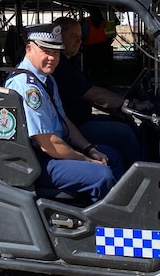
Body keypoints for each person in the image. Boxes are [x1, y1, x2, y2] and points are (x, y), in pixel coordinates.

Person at [4, 23, 124, 202]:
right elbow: (48, 143)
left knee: (111, 156)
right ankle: (101, 225)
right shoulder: (26, 86)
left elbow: (64, 122)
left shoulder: (47, 80)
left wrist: (89, 149)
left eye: (56, 52)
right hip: (37, 161)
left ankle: (119, 210)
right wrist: (86, 160)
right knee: (102, 174)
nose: (52, 58)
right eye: (46, 51)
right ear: (29, 49)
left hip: (53, 152)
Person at [52, 17, 149, 166]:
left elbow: (82, 94)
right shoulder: (60, 67)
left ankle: (145, 164)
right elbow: (92, 93)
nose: (79, 41)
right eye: (73, 36)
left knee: (127, 123)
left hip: (83, 119)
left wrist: (113, 110)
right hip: (74, 127)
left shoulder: (69, 62)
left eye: (80, 37)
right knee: (125, 134)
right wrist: (129, 104)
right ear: (59, 37)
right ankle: (141, 179)